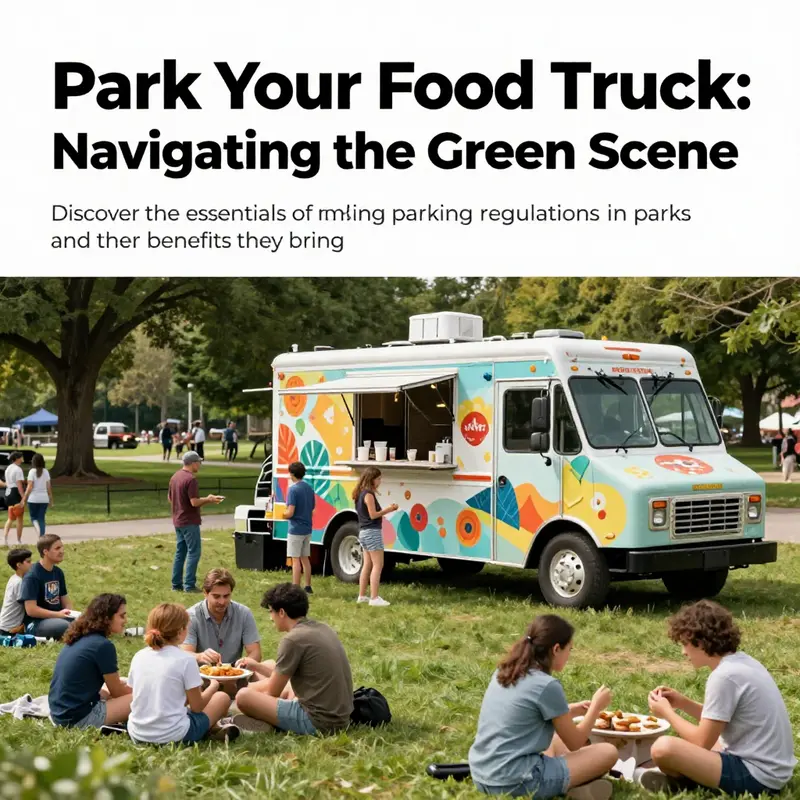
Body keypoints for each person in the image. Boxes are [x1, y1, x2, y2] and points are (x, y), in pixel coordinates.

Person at [638, 600, 796, 795]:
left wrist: (667, 713)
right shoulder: (742, 662)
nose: (683, 652)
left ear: (702, 642)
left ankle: (683, 781)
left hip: (758, 776)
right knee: (687, 742)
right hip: (772, 769)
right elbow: (719, 718)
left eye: (685, 644)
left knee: (663, 748)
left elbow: (701, 741)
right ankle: (680, 780)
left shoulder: (724, 676)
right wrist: (683, 703)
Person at [468, 615, 617, 800]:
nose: (569, 655)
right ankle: (568, 786)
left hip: (482, 776)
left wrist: (571, 709)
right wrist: (596, 707)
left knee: (556, 739)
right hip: (517, 783)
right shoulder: (547, 685)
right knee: (608, 752)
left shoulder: (505, 671)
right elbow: (575, 742)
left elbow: (525, 715)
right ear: (556, 649)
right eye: (569, 649)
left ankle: (575, 788)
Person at [232, 583, 353, 736]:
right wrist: (257, 666)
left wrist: (240, 690)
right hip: (341, 718)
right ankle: (267, 720)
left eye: (271, 612)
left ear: (281, 612)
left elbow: (272, 691)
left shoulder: (293, 640)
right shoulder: (323, 628)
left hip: (317, 721)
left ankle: (263, 721)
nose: (271, 619)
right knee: (272, 668)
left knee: (243, 697)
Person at [127, 602, 239, 744]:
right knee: (221, 698)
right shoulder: (185, 659)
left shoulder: (139, 656)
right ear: (181, 631)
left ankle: (213, 729)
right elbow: (197, 707)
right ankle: (213, 728)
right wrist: (214, 685)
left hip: (137, 733)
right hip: (174, 735)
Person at [49, 593, 133, 729]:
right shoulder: (103, 646)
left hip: (59, 713)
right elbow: (117, 691)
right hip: (77, 719)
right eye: (122, 616)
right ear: (107, 618)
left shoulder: (79, 637)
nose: (125, 620)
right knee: (141, 698)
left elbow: (115, 685)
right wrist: (143, 689)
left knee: (124, 680)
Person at [182, 568, 261, 693]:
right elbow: (184, 654)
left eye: (226, 596)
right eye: (216, 596)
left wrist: (244, 663)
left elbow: (255, 653)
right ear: (205, 593)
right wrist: (200, 656)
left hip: (234, 676)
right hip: (201, 681)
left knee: (267, 668)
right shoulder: (192, 616)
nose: (222, 601)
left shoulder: (243, 613)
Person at [168, 451, 223, 593]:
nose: (200, 464)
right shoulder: (191, 479)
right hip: (189, 521)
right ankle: (189, 585)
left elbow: (170, 498)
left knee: (181, 552)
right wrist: (209, 499)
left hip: (178, 520)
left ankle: (176, 585)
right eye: (199, 462)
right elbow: (194, 502)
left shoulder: (175, 477)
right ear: (193, 463)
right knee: (194, 552)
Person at [353, 467, 397, 607]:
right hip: (372, 532)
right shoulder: (369, 495)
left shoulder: (360, 494)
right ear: (372, 479)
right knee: (378, 565)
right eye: (378, 478)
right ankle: (374, 597)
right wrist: (388, 509)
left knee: (367, 564)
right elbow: (373, 515)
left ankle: (362, 595)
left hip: (363, 532)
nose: (380, 481)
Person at [20, 534, 74, 640]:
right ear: (45, 552)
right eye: (57, 548)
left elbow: (65, 601)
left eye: (62, 547)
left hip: (58, 617)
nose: (62, 551)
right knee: (64, 626)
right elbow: (31, 610)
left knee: (86, 620)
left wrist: (68, 612)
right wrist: (58, 615)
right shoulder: (32, 576)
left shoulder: (58, 572)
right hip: (37, 623)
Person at [284, 461, 315, 593]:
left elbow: (290, 512)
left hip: (295, 529)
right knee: (305, 559)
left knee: (295, 560)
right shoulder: (309, 488)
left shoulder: (293, 490)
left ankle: (295, 589)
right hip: (307, 528)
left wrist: (283, 514)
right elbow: (312, 507)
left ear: (292, 474)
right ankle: (307, 586)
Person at [0, 548, 32, 635]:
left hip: (4, 624)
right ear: (19, 565)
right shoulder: (19, 582)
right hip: (9, 629)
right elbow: (29, 607)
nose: (31, 564)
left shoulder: (14, 578)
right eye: (28, 562)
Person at [23, 453, 53, 537]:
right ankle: (42, 536)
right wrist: (51, 499)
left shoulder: (32, 472)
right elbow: (49, 487)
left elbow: (29, 486)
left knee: (33, 518)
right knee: (41, 518)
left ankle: (38, 531)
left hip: (33, 499)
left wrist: (24, 498)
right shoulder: (46, 471)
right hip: (44, 499)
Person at [3, 452, 26, 546]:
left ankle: (5, 539)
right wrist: (23, 497)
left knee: (11, 518)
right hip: (15, 493)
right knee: (20, 519)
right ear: (17, 458)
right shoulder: (18, 469)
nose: (22, 459)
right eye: (21, 457)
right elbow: (19, 485)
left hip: (8, 493)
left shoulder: (9, 468)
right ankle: (19, 540)